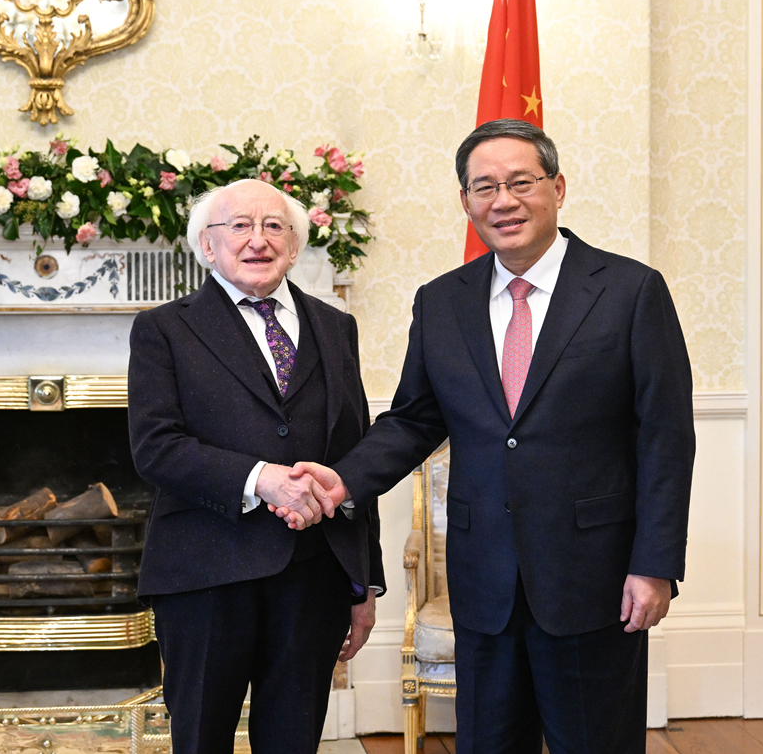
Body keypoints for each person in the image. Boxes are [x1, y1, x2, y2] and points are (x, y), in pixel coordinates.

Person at [289, 119, 695, 754]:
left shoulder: (630, 290)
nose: (503, 201)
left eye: (520, 182)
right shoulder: (441, 301)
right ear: (465, 203)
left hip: (593, 576)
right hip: (483, 581)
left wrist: (655, 565)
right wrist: (345, 479)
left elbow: (665, 439)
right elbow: (414, 419)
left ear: (557, 187)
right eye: (484, 187)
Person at [127, 178, 384, 754]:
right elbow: (156, 446)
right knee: (200, 740)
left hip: (315, 575)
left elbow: (357, 455)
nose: (257, 240)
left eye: (274, 226)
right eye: (238, 226)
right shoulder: (164, 329)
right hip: (205, 573)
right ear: (207, 247)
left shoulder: (335, 326)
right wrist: (262, 478)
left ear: (295, 246)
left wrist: (365, 580)